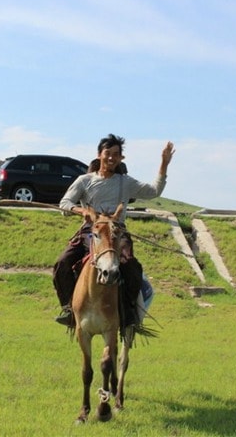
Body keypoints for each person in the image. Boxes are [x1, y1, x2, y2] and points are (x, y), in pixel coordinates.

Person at [52, 134, 175, 328]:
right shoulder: (84, 181)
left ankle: (130, 314)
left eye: (116, 154)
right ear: (99, 155)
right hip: (90, 232)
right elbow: (65, 203)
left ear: (121, 159)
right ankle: (69, 310)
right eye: (107, 153)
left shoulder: (125, 182)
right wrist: (81, 210)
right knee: (62, 263)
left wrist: (164, 164)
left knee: (132, 267)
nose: (111, 158)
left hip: (117, 233)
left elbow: (154, 191)